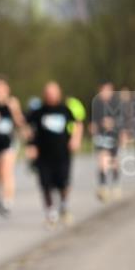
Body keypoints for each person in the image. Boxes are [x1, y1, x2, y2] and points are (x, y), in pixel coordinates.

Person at [26, 82, 83, 227]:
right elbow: (29, 129)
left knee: (63, 183)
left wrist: (76, 139)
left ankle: (64, 205)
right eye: (48, 93)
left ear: (59, 94)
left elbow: (77, 124)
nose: (51, 95)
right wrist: (30, 145)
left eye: (53, 93)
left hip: (62, 153)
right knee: (45, 185)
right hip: (43, 155)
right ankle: (50, 213)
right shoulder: (38, 112)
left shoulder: (65, 110)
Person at [0, 76, 26, 216]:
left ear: (6, 90)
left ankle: (8, 200)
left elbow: (20, 121)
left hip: (9, 141)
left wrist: (14, 112)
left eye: (1, 89)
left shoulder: (12, 102)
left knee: (7, 170)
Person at [90, 81, 123, 201]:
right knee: (102, 160)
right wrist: (94, 126)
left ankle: (115, 183)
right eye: (104, 90)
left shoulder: (116, 103)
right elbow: (92, 120)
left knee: (114, 162)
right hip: (101, 136)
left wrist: (113, 123)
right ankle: (103, 186)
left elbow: (122, 120)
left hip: (113, 136)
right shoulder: (96, 103)